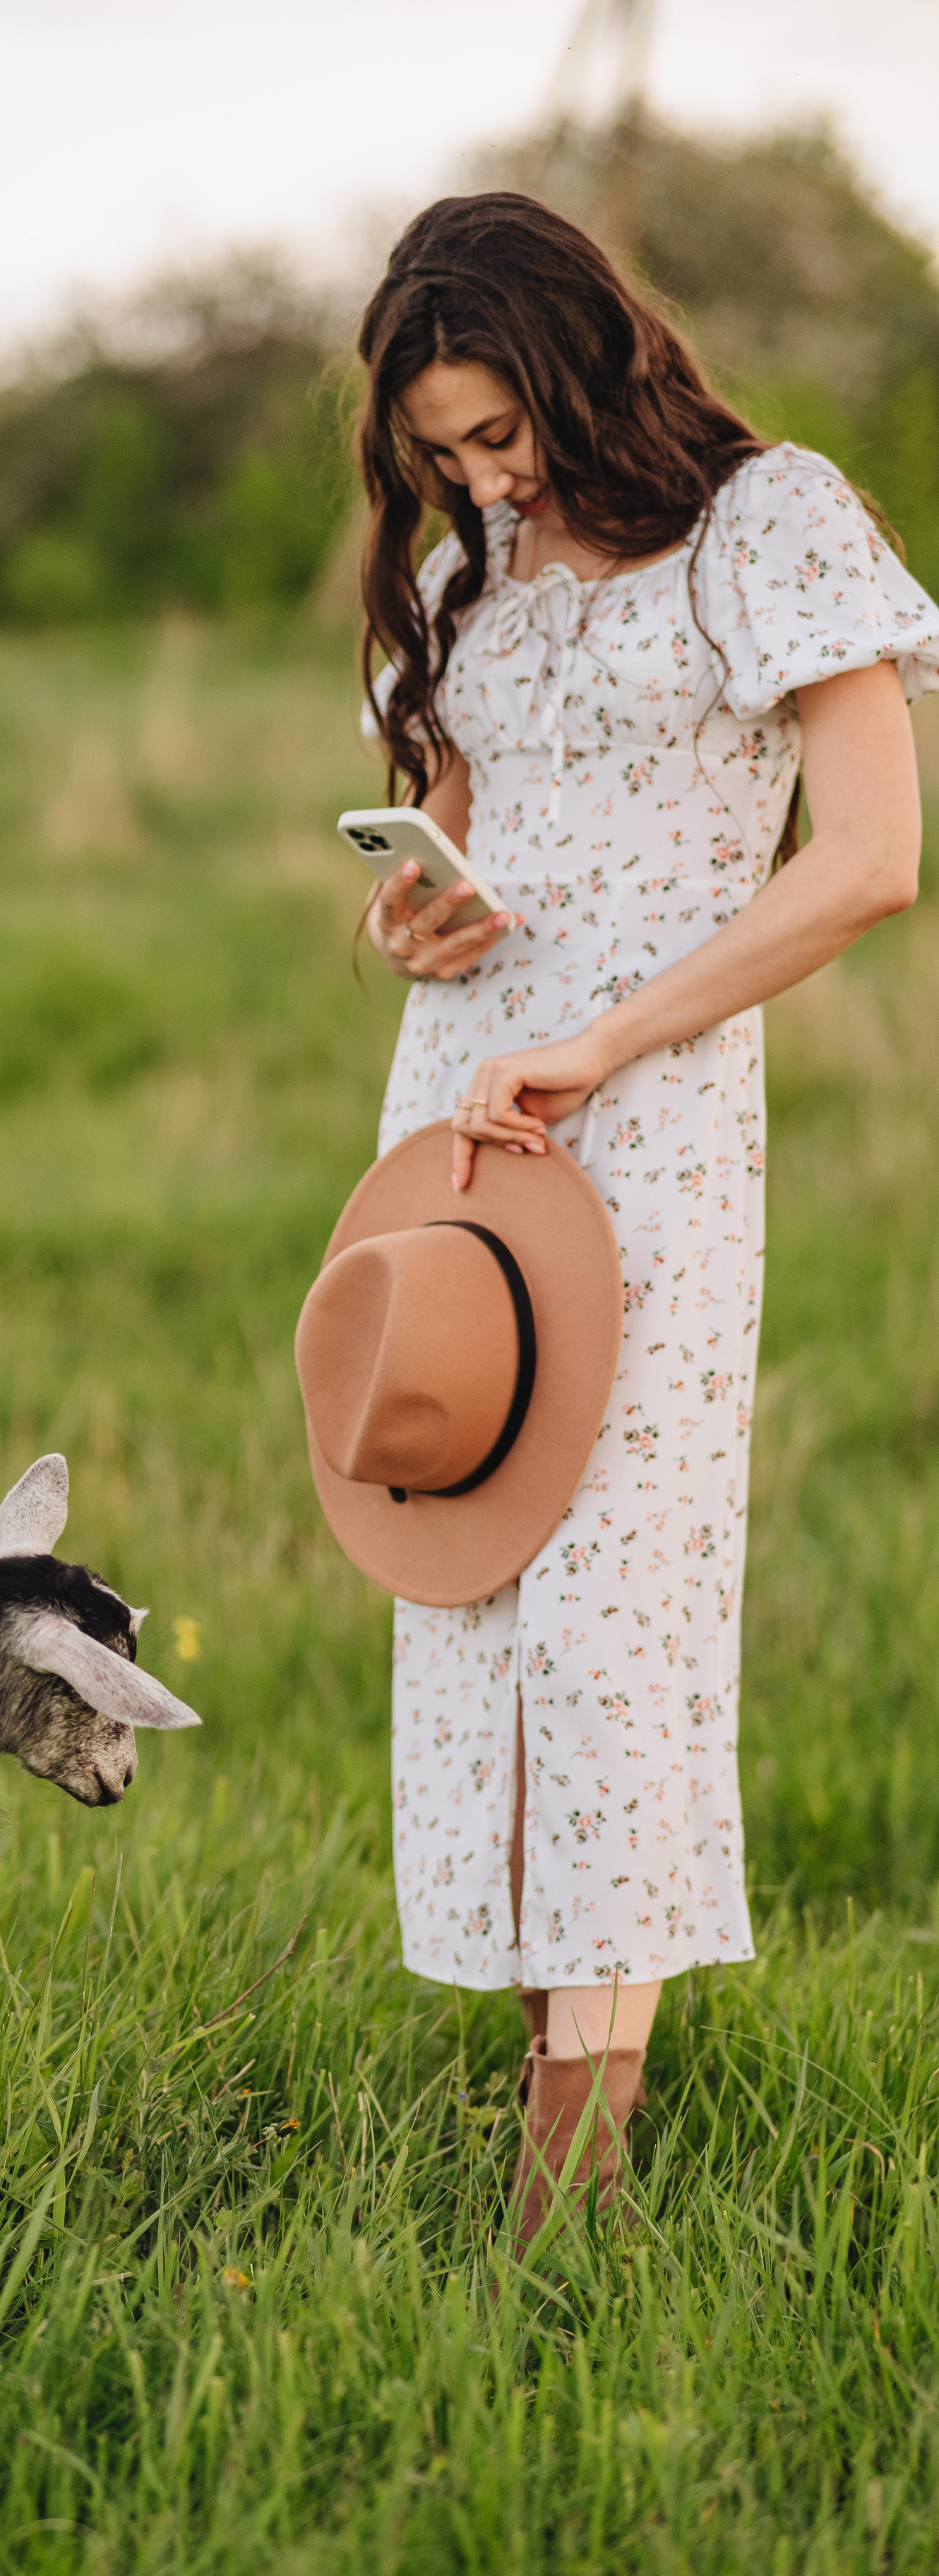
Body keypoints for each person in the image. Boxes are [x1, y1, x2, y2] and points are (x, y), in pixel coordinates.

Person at [351, 191, 939, 2247]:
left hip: (653, 1114)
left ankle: (571, 2178)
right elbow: (465, 835)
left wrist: (603, 1041)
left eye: (505, 432)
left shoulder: (771, 522)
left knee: (617, 1620)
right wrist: (411, 912)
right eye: (447, 452)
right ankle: (538, 2059)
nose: (488, 479)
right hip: (464, 1113)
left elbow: (869, 860)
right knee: (475, 1592)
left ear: (590, 361)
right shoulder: (468, 574)